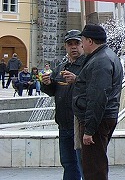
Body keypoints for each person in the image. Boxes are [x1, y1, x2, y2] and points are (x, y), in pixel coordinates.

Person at [72, 24, 124, 180]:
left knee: (94, 168)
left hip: (98, 119)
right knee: (96, 162)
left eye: (82, 40)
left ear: (89, 41)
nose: (80, 44)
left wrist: (89, 130)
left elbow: (98, 97)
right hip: (102, 117)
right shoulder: (106, 56)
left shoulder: (100, 61)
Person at [41, 29, 86, 180]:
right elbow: (53, 90)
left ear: (83, 45)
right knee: (67, 163)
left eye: (77, 43)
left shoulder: (87, 64)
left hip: (79, 123)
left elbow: (95, 87)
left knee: (83, 163)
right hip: (63, 123)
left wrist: (77, 78)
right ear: (65, 47)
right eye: (70, 44)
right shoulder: (61, 67)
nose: (73, 47)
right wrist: (47, 84)